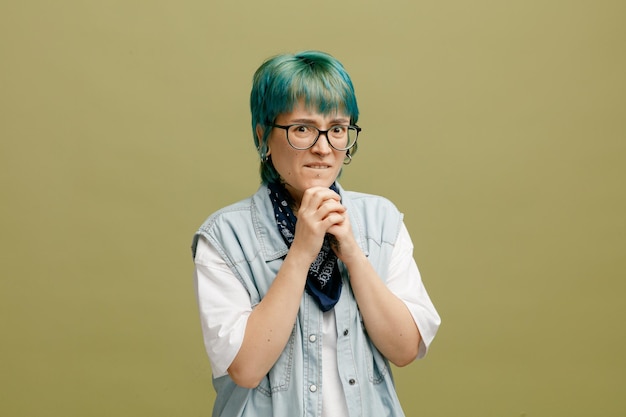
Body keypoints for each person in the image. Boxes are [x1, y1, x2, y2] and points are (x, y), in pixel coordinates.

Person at [192, 50, 440, 417]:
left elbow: (404, 349)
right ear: (263, 135)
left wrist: (353, 253)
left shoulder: (382, 220)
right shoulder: (224, 237)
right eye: (302, 129)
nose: (323, 148)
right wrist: (302, 251)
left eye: (337, 129)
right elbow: (245, 368)